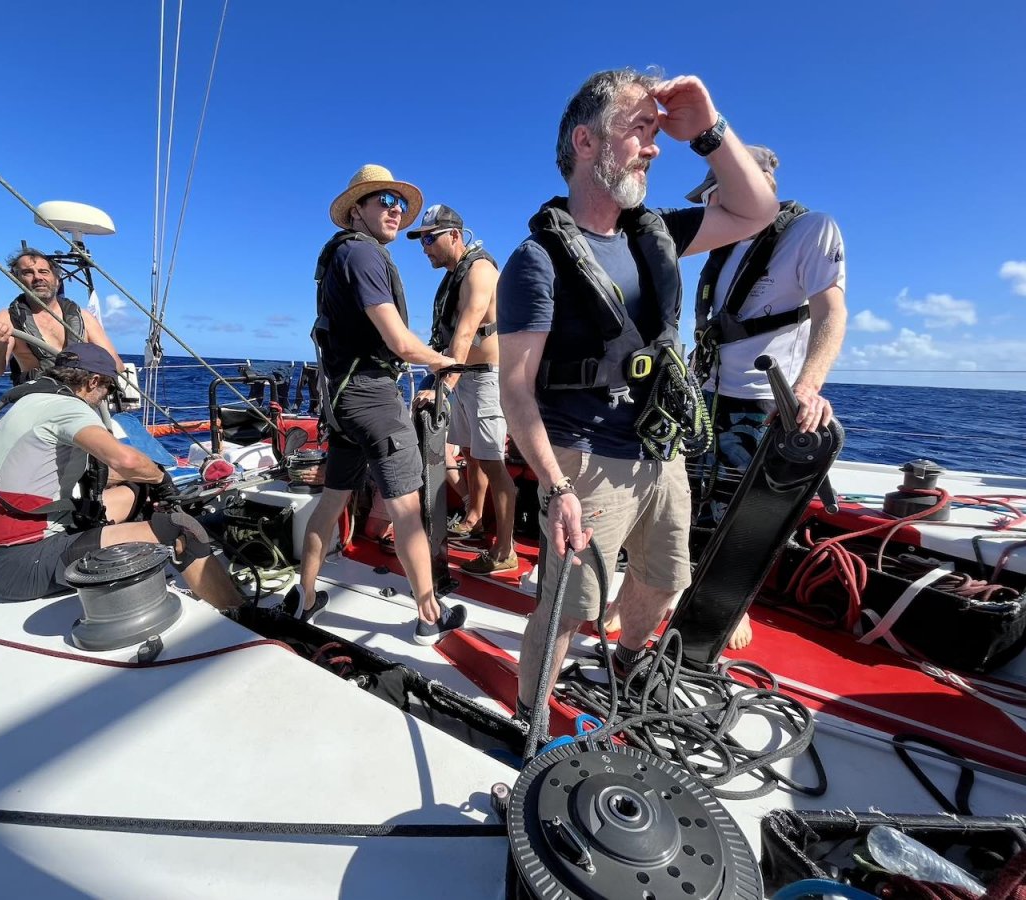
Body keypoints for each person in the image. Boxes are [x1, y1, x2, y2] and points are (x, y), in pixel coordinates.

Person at [497, 69, 779, 719]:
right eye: (639, 129)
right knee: (569, 608)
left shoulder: (657, 234)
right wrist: (556, 489)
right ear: (586, 142)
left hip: (662, 449)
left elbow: (757, 209)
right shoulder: (536, 262)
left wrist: (708, 129)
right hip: (586, 460)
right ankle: (528, 719)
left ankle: (622, 667)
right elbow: (515, 389)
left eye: (657, 131)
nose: (654, 146)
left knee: (664, 579)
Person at [293, 164, 467, 645]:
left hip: (341, 403)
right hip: (374, 401)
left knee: (332, 502)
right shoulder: (364, 255)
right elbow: (399, 342)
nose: (394, 210)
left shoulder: (340, 256)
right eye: (383, 201)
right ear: (356, 210)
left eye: (398, 203)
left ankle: (305, 598)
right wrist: (445, 361)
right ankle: (429, 617)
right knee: (407, 511)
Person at [687, 144, 847, 649]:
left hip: (758, 400)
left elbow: (831, 312)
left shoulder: (812, 229)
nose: (710, 206)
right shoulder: (723, 245)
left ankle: (730, 606)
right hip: (702, 391)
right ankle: (680, 586)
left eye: (715, 193)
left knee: (738, 510)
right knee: (689, 498)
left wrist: (808, 386)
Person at [0, 342, 240, 610]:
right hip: (23, 563)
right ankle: (238, 611)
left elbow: (90, 473)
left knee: (137, 490)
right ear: (93, 381)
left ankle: (157, 541)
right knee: (182, 528)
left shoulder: (31, 401)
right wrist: (160, 478)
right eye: (108, 388)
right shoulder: (67, 407)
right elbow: (125, 460)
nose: (105, 397)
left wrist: (144, 483)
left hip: (3, 551)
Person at [408, 204, 518, 575]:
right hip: (466, 376)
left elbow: (467, 331)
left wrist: (442, 387)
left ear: (454, 235)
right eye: (421, 240)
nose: (424, 247)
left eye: (430, 239)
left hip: (486, 378)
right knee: (471, 454)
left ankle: (505, 551)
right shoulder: (455, 275)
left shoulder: (479, 271)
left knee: (493, 462)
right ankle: (474, 518)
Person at [0, 248, 123, 383]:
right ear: (16, 279)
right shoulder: (7, 319)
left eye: (44, 272)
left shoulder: (84, 318)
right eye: (28, 273)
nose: (38, 277)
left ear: (57, 279)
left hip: (79, 395)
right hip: (38, 395)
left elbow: (117, 366)